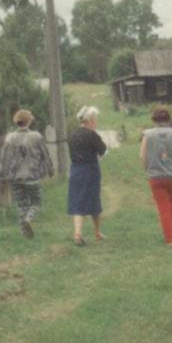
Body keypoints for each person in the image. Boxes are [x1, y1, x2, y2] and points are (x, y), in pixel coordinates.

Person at [0, 109, 54, 238]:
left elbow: (4, 158)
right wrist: (50, 169)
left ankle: (24, 233)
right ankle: (28, 219)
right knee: (36, 203)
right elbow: (45, 155)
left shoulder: (9, 138)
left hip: (15, 177)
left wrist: (1, 175)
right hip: (32, 176)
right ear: (29, 121)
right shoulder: (36, 136)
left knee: (21, 205)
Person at [140, 105, 172, 246]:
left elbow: (142, 156)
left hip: (156, 177)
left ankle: (170, 239)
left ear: (154, 119)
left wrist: (147, 169)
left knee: (163, 206)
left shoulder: (147, 135)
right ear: (168, 118)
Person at [67, 105, 107, 246]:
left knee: (78, 202)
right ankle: (97, 232)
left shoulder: (72, 135)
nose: (96, 122)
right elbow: (103, 151)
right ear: (89, 120)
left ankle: (78, 233)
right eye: (95, 119)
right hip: (90, 171)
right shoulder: (92, 135)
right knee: (94, 201)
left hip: (75, 171)